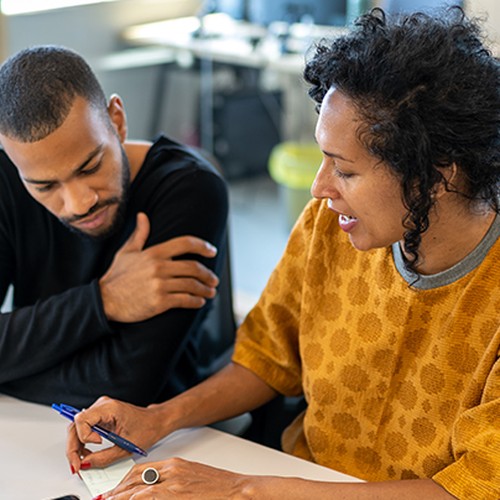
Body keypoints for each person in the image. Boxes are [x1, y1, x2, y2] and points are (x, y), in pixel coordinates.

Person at [66, 7, 499, 500]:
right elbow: (268, 357)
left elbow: (474, 488)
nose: (318, 188)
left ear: (438, 173)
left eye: (345, 171)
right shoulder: (332, 227)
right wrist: (158, 418)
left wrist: (244, 489)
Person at [0, 45, 229, 408]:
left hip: (160, 439)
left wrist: (11, 365)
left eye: (90, 167)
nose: (79, 203)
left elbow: (124, 386)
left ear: (117, 121)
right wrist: (102, 301)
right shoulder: (6, 179)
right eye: (45, 186)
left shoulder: (190, 189)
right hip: (33, 427)